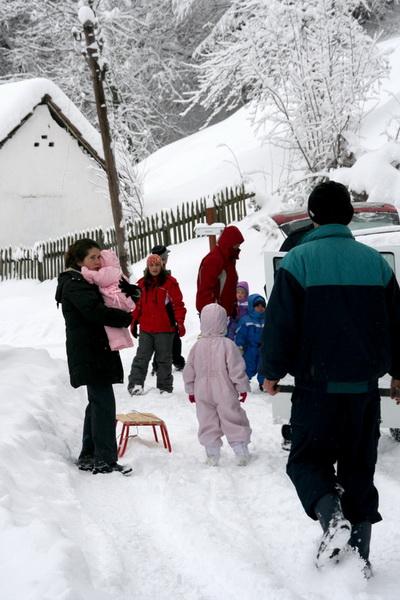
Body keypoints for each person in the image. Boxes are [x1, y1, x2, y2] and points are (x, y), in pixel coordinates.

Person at [260, 180, 400, 576]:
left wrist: (270, 372)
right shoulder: (376, 264)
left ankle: (331, 516)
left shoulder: (297, 263)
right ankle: (360, 562)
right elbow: (396, 325)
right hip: (362, 394)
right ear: (351, 216)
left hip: (315, 391)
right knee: (359, 472)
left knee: (305, 461)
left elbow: (280, 325)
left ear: (313, 216)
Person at [55, 239, 133, 476]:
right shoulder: (74, 283)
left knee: (97, 403)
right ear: (79, 261)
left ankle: (89, 454)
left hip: (95, 350)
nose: (98, 262)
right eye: (92, 258)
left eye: (100, 257)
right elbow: (94, 312)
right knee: (104, 404)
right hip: (90, 352)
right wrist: (124, 318)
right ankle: (105, 459)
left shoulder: (84, 280)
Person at [183, 303, 251, 466]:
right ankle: (241, 451)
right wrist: (241, 387)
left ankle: (212, 454)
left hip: (202, 392)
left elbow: (189, 369)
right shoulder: (228, 344)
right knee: (233, 418)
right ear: (223, 322)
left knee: (207, 421)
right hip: (224, 390)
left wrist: (191, 390)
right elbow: (236, 368)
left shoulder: (197, 346)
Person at [128, 253, 186, 395]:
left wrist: (180, 323)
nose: (154, 268)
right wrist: (134, 322)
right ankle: (136, 384)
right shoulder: (142, 284)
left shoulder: (170, 283)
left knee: (164, 359)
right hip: (146, 329)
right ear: (148, 267)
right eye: (151, 265)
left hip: (165, 329)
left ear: (162, 266)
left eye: (157, 265)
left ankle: (164, 388)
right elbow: (138, 306)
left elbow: (178, 305)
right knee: (141, 357)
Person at [81, 248, 135, 351]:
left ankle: (117, 343)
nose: (98, 262)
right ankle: (122, 341)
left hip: (116, 300)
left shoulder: (108, 271)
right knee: (116, 325)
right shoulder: (115, 270)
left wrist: (85, 271)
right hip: (118, 299)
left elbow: (99, 278)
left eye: (99, 259)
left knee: (111, 325)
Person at [196, 225, 244, 318]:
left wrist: (233, 305)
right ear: (229, 243)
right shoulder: (214, 260)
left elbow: (229, 285)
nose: (238, 247)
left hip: (224, 313)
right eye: (236, 244)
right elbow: (205, 290)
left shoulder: (229, 258)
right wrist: (212, 313)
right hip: (214, 315)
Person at [150, 244, 185, 371]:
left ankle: (159, 364)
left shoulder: (152, 271)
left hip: (161, 310)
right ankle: (176, 360)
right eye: (166, 256)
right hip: (165, 310)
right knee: (172, 336)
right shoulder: (160, 274)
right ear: (163, 258)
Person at [235, 293, 266, 390]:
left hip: (264, 349)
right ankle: (243, 383)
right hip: (250, 349)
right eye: (257, 306)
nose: (260, 308)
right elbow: (240, 334)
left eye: (262, 306)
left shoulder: (267, 319)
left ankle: (264, 383)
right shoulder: (246, 320)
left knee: (264, 367)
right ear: (252, 306)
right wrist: (239, 345)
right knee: (249, 366)